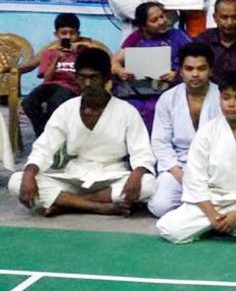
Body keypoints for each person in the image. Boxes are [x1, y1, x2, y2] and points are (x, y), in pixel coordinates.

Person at [8, 48, 156, 216]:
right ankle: (98, 206)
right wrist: (29, 173)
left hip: (111, 174)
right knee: (16, 181)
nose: (87, 84)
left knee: (148, 184)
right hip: (75, 175)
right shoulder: (66, 109)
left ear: (107, 78)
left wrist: (136, 175)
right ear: (76, 77)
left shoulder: (126, 111)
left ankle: (68, 204)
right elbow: (44, 147)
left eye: (94, 78)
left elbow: (142, 153)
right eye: (82, 77)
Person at [156, 79, 236, 244]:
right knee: (169, 228)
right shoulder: (207, 132)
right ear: (219, 100)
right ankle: (221, 224)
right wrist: (212, 214)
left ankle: (219, 226)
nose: (231, 104)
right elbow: (194, 178)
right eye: (226, 98)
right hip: (212, 199)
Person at [148, 43, 222, 217]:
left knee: (223, 203)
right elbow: (160, 143)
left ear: (211, 70)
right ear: (180, 71)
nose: (195, 74)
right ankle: (197, 209)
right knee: (160, 206)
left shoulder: (223, 98)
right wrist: (179, 174)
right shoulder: (168, 99)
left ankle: (195, 209)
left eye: (201, 68)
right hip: (178, 165)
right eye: (189, 69)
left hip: (214, 167)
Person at [111, 2, 190, 131]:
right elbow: (114, 62)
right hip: (140, 91)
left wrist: (177, 74)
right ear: (143, 25)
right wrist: (120, 71)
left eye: (162, 16)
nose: (162, 21)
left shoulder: (177, 36)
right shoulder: (135, 38)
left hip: (171, 89)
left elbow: (195, 60)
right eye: (154, 20)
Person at [22, 13, 98, 136]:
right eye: (63, 33)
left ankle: (55, 135)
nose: (68, 36)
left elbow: (84, 78)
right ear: (56, 35)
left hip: (71, 88)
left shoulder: (82, 53)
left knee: (55, 102)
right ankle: (43, 134)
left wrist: (82, 50)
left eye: (72, 33)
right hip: (49, 85)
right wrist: (56, 59)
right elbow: (47, 78)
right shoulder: (49, 53)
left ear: (78, 34)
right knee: (28, 102)